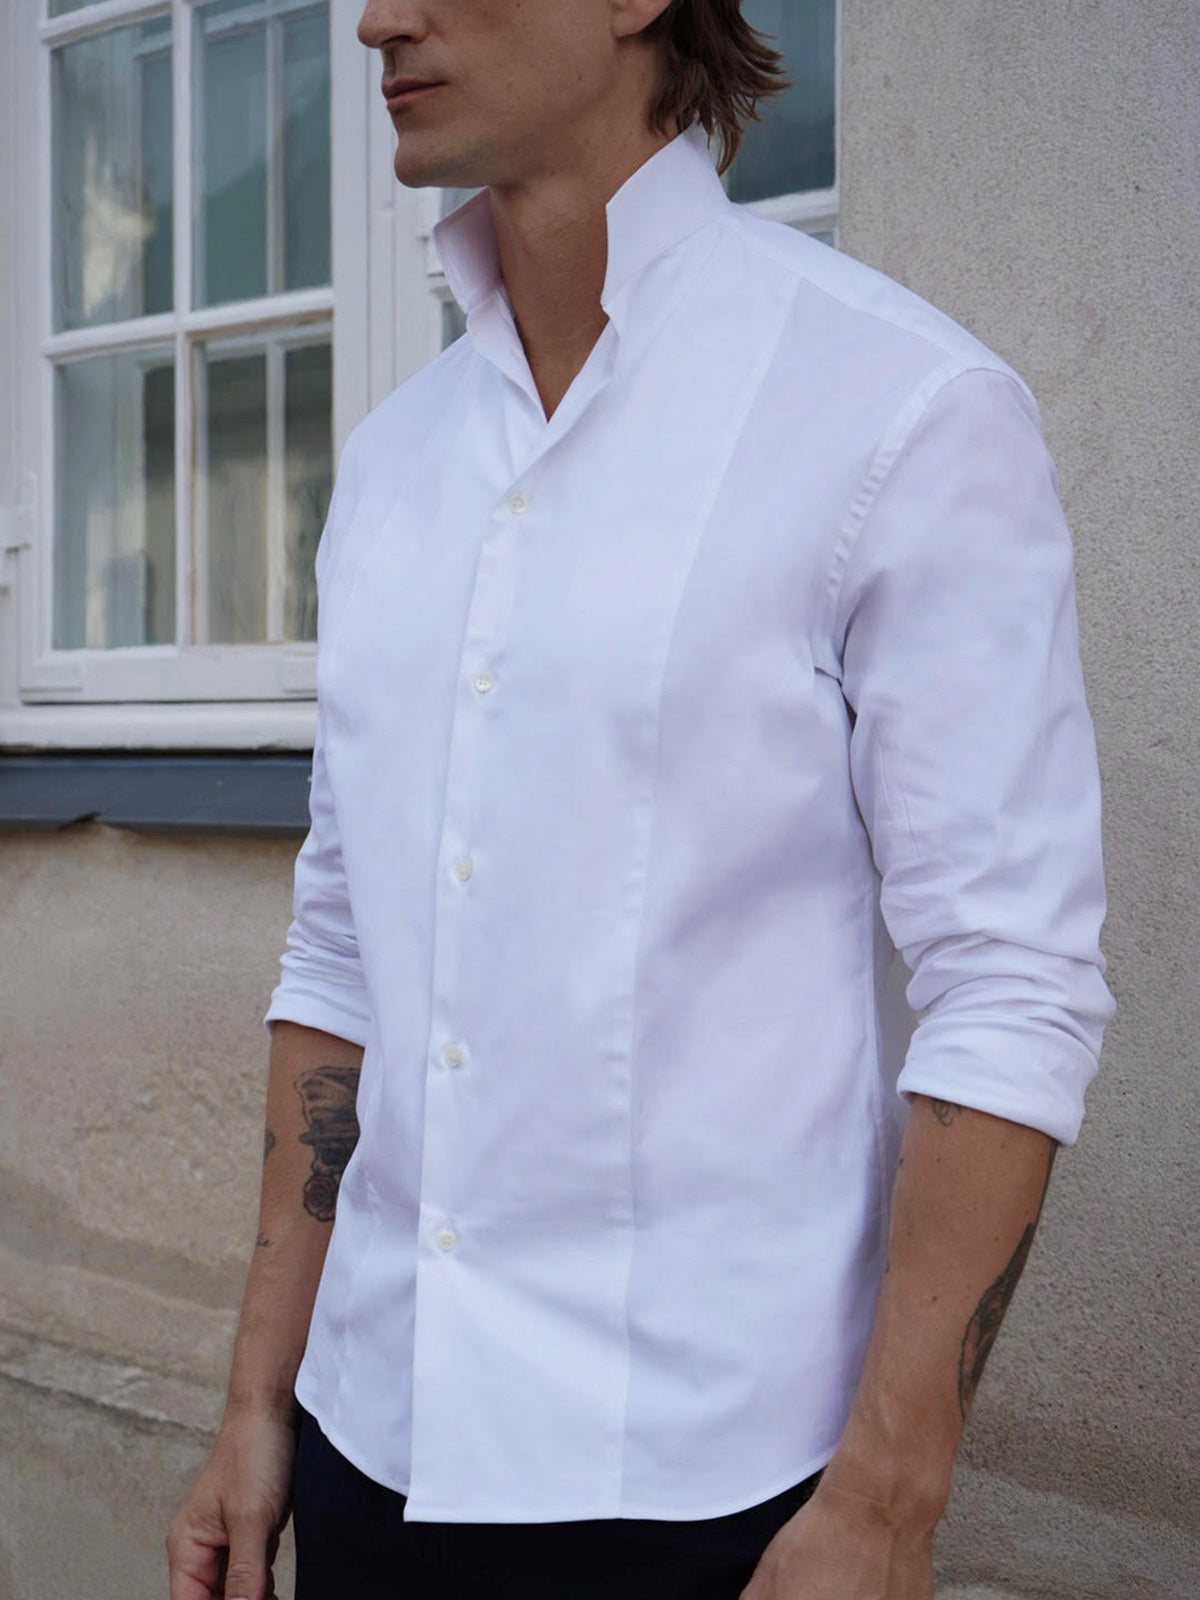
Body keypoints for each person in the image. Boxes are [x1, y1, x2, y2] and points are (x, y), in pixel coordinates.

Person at [166, 2, 1117, 1597]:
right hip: (367, 1445)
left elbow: (1012, 983)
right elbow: (338, 953)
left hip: (710, 1497)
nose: (375, 18)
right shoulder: (396, 466)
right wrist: (257, 1403)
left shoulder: (898, 410)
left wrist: (887, 1504)